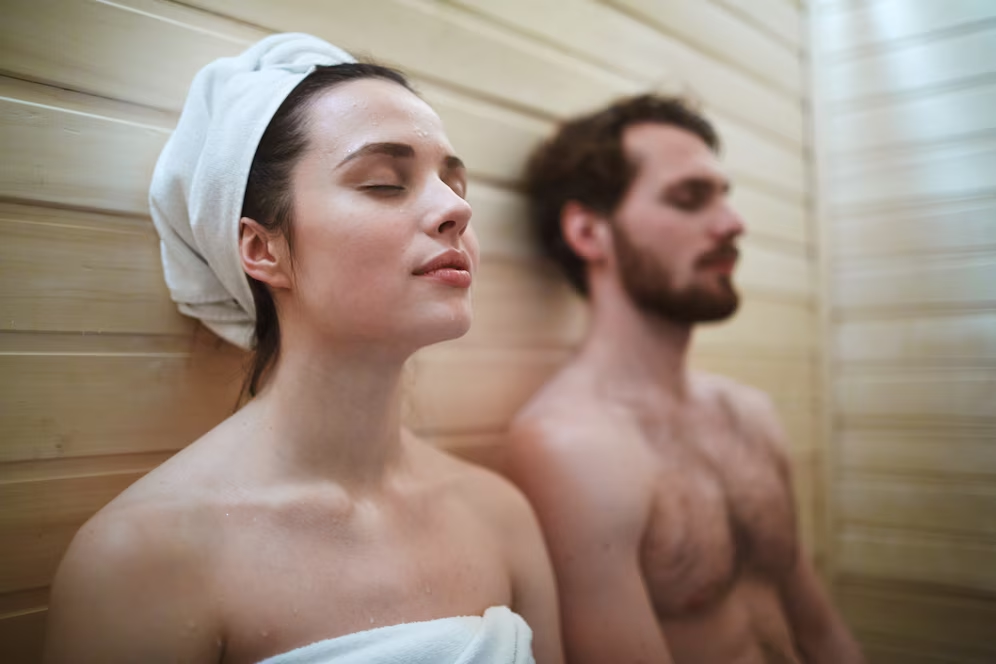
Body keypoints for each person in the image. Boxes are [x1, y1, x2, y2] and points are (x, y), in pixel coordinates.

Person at [44, 33, 561, 664]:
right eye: (382, 183)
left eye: (455, 184)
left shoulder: (500, 516)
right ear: (263, 249)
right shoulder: (143, 556)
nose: (455, 209)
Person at [508, 94, 863, 664]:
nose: (732, 224)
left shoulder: (748, 413)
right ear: (588, 233)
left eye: (725, 197)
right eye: (690, 198)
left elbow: (820, 632)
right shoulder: (574, 446)